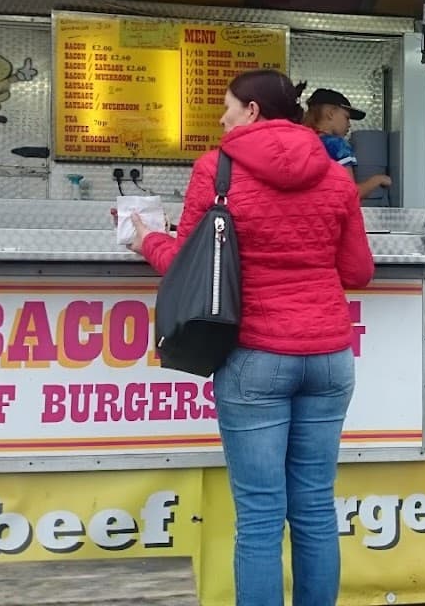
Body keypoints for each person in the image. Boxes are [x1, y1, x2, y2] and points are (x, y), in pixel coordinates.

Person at [129, 68, 374, 606]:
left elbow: (187, 266)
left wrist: (145, 239)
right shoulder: (335, 176)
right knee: (313, 507)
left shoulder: (215, 172)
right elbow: (358, 271)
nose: (222, 117)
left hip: (255, 357)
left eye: (228, 107)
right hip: (330, 357)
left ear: (254, 111)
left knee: (261, 518)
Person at [302, 87, 392, 199]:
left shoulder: (301, 141)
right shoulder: (337, 146)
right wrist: (378, 180)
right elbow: (350, 194)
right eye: (347, 118)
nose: (349, 125)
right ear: (330, 113)